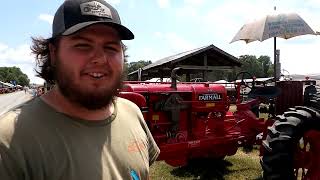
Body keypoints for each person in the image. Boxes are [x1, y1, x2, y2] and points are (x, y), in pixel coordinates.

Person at [0, 0, 160, 179]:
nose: (100, 59)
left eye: (110, 47)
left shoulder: (132, 112)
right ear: (53, 54)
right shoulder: (9, 141)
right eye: (82, 45)